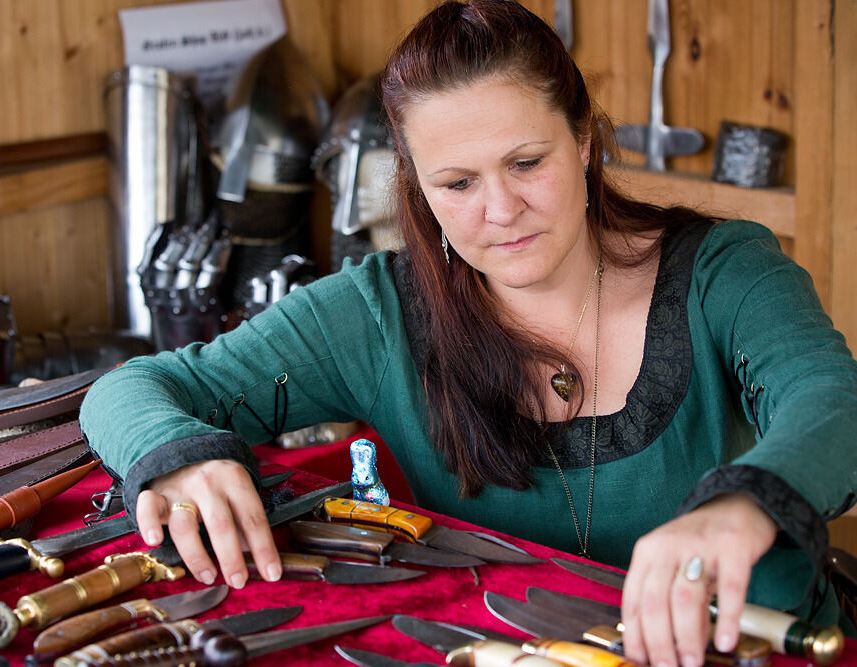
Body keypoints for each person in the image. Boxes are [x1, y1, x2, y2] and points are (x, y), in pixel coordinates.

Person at [78, 1, 857, 665]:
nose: (499, 209)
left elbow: (832, 399)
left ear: (583, 140)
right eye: (457, 182)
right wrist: (175, 456)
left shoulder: (726, 269)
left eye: (526, 162)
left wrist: (743, 501)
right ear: (417, 184)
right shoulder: (377, 309)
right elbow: (133, 387)